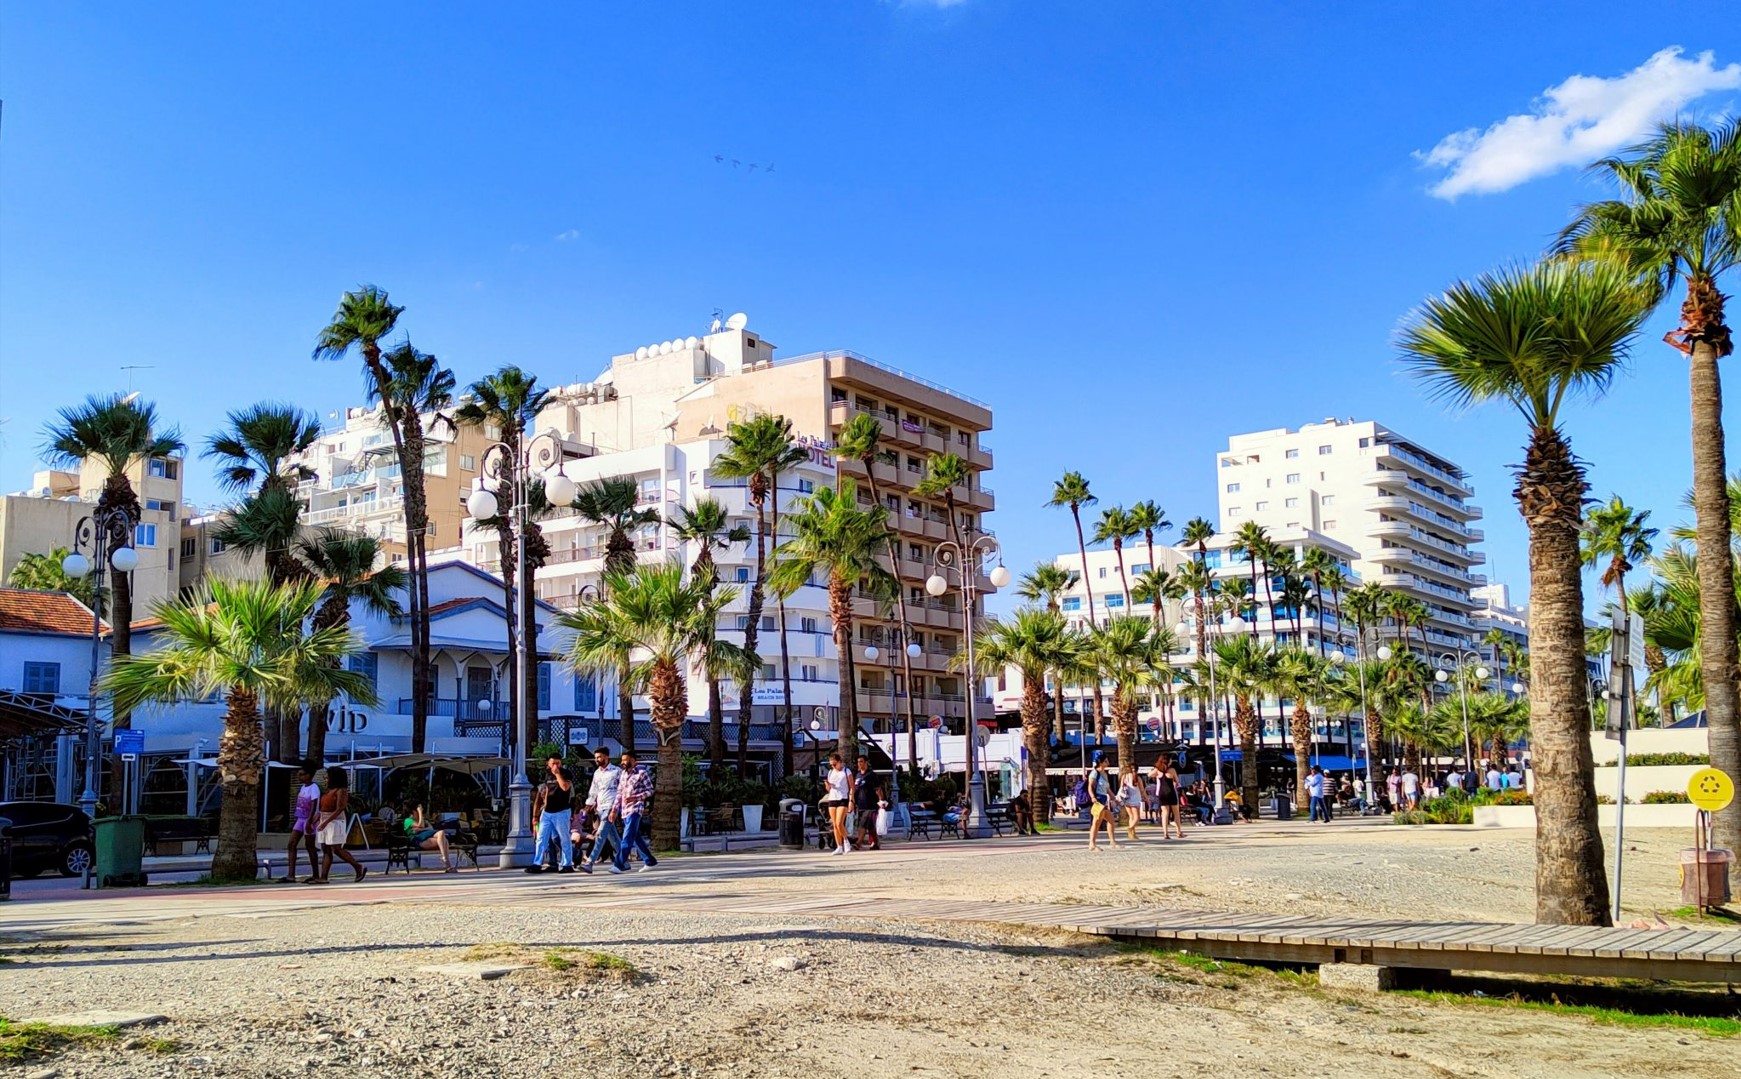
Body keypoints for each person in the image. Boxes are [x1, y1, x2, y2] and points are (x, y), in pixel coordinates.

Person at [309, 766, 366, 884]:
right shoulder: (328, 792)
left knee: (336, 848)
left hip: (335, 821)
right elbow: (321, 810)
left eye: (327, 778)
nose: (325, 780)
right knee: (325, 849)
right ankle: (323, 877)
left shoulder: (341, 791)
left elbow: (340, 808)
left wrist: (325, 822)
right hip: (325, 819)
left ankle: (357, 866)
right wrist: (313, 821)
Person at [577, 746, 623, 874]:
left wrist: (617, 807)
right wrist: (588, 805)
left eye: (599, 757)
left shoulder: (616, 771)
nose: (597, 759)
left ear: (606, 757)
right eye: (596, 757)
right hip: (600, 807)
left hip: (611, 806)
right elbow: (593, 790)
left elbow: (622, 790)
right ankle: (623, 859)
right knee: (613, 836)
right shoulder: (597, 773)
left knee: (600, 834)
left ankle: (590, 862)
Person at [527, 755, 575, 874]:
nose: (555, 766)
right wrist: (537, 814)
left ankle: (566, 864)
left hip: (562, 811)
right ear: (548, 764)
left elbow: (565, 787)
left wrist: (558, 774)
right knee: (541, 838)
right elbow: (546, 791)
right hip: (548, 811)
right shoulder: (547, 775)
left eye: (558, 763)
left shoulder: (566, 773)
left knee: (564, 838)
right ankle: (537, 863)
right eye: (553, 763)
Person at [611, 751, 657, 874]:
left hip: (635, 809)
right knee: (636, 838)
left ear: (633, 761)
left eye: (625, 760)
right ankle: (650, 860)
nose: (622, 763)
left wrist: (636, 797)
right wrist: (614, 809)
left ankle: (619, 864)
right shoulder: (623, 775)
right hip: (625, 811)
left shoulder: (641, 774)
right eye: (622, 760)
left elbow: (650, 791)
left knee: (627, 838)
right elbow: (619, 793)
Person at [280, 762, 321, 883]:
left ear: (309, 775)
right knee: (291, 844)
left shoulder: (314, 788)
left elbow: (314, 804)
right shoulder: (303, 787)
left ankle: (316, 874)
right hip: (300, 819)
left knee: (310, 847)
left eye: (302, 775)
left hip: (309, 820)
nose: (300, 777)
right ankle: (291, 874)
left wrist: (309, 821)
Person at [404, 804, 457, 872]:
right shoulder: (408, 820)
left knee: (443, 838)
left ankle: (447, 863)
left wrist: (421, 829)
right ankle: (446, 861)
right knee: (442, 835)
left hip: (425, 837)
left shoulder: (420, 820)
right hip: (418, 841)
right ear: (414, 811)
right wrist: (420, 813)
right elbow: (421, 825)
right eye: (419, 811)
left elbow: (430, 828)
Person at [850, 756, 884, 851]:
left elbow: (878, 789)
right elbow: (855, 790)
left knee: (863, 823)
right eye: (858, 762)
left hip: (871, 804)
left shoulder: (871, 775)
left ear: (866, 763)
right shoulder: (857, 775)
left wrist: (881, 801)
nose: (859, 763)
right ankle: (876, 843)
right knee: (870, 826)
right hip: (861, 804)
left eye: (861, 761)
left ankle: (859, 843)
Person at [821, 753, 852, 855]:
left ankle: (846, 840)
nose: (833, 766)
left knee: (839, 822)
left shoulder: (846, 771)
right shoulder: (830, 772)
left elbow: (852, 787)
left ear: (840, 762)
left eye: (834, 764)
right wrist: (827, 784)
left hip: (843, 798)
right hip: (832, 798)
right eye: (831, 765)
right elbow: (828, 789)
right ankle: (839, 846)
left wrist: (851, 800)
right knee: (834, 824)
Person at [1086, 754, 1118, 850]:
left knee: (1111, 820)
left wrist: (1113, 797)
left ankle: (1112, 841)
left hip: (1104, 799)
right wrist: (1092, 797)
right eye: (1106, 761)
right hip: (1098, 799)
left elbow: (1107, 788)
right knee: (1096, 822)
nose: (1108, 763)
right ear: (1101, 762)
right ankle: (1092, 844)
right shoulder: (1094, 773)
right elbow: (1090, 786)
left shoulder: (1104, 773)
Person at [1152, 761, 1183, 839]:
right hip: (1171, 792)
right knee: (1176, 813)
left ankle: (1165, 833)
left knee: (1165, 813)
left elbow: (1149, 774)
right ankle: (1178, 832)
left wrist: (1156, 774)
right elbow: (1177, 781)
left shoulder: (1158, 770)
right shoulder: (1172, 770)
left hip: (1162, 792)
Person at [1117, 765, 1145, 841]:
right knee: (1136, 817)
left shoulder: (1124, 776)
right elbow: (1142, 789)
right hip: (1135, 799)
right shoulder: (1138, 778)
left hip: (1127, 798)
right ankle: (1130, 828)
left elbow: (1122, 787)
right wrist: (1145, 797)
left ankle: (1133, 834)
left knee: (1131, 817)